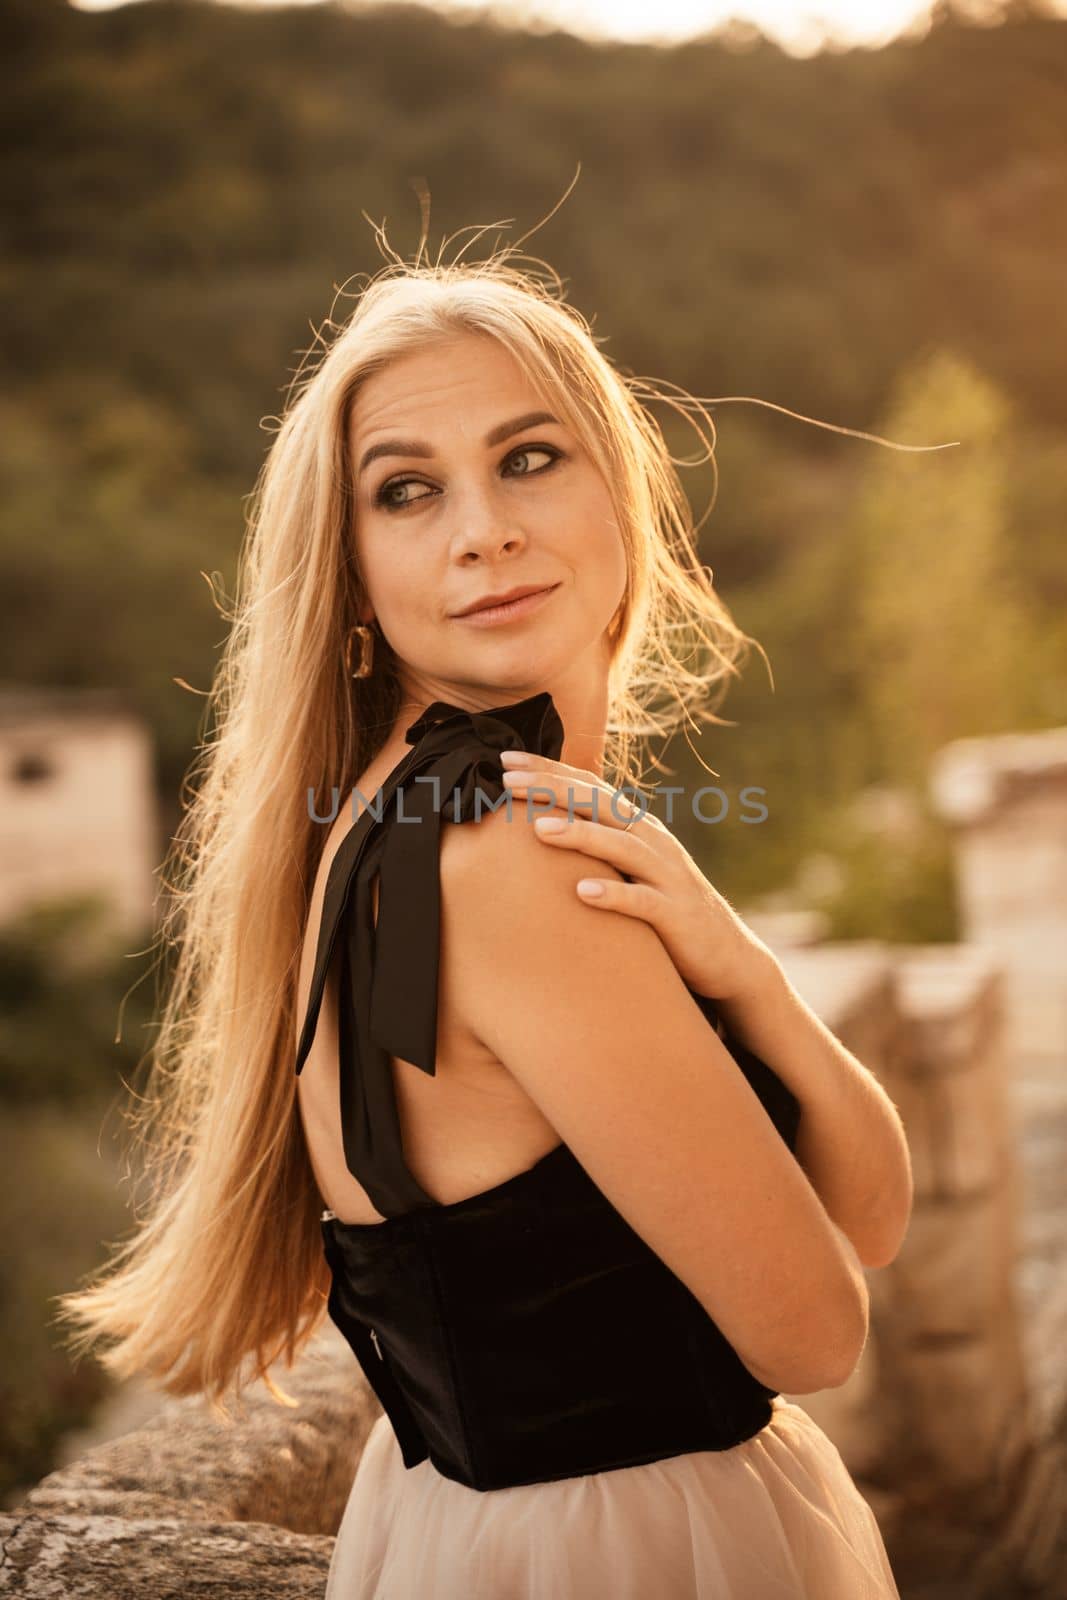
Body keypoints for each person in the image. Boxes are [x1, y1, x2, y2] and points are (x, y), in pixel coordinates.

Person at [57, 243, 911, 1598]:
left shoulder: (387, 820)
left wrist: (743, 972)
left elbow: (867, 1212)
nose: (483, 530)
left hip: (480, 1537)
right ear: (348, 576)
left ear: (620, 496)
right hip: (633, 1550)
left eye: (529, 458)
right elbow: (817, 1327)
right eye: (408, 491)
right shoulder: (504, 855)